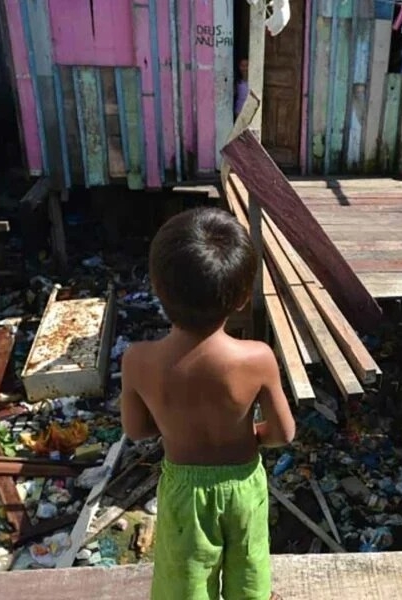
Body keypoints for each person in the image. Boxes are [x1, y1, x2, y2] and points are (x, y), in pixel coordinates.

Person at [121, 207, 296, 600]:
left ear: (158, 289)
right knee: (249, 574)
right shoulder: (257, 358)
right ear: (239, 299)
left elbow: (136, 429)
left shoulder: (139, 360)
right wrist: (246, 434)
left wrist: (172, 425)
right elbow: (283, 433)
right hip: (243, 487)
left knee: (184, 582)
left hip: (184, 490)